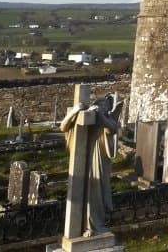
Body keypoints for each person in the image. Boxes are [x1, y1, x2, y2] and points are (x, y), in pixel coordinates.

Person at [60, 94, 122, 236]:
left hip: (98, 160)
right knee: (82, 191)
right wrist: (75, 111)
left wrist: (100, 115)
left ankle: (94, 225)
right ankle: (81, 226)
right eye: (100, 104)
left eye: (106, 106)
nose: (103, 107)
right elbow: (63, 126)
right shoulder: (85, 117)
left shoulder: (107, 120)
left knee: (95, 192)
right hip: (81, 158)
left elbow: (111, 128)